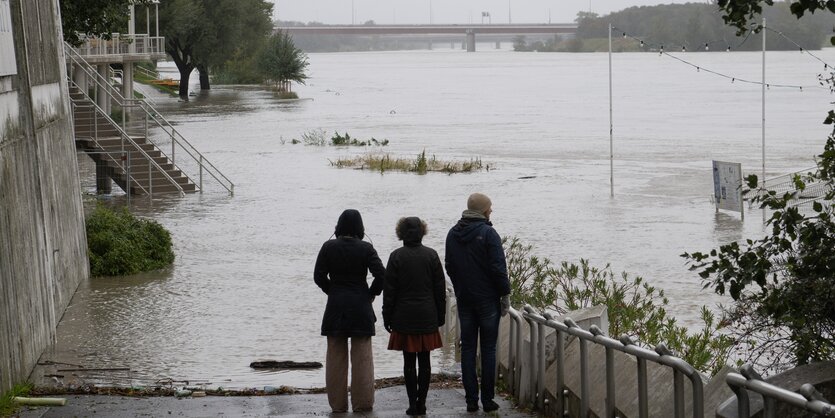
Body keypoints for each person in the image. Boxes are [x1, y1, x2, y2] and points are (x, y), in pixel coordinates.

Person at [314, 209, 386, 413]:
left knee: (335, 358)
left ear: (338, 227)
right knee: (362, 358)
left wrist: (333, 291)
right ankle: (362, 404)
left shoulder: (328, 247)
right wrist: (371, 294)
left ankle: (338, 405)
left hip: (335, 306)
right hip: (360, 306)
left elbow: (318, 276)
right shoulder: (366, 248)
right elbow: (382, 275)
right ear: (360, 228)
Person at [445, 193, 511, 413]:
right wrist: (504, 294)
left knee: (468, 349)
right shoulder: (489, 233)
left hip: (465, 300)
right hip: (487, 301)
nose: (491, 210)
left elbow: (449, 265)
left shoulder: (452, 234)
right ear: (483, 210)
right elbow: (498, 268)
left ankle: (471, 400)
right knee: (489, 349)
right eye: (490, 207)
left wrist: (460, 287)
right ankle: (488, 400)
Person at [382, 217, 446, 416]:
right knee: (425, 360)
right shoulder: (432, 255)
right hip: (427, 314)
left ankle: (412, 403)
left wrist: (387, 315)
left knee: (408, 362)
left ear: (400, 233)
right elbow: (439, 290)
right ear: (422, 232)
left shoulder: (396, 256)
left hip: (403, 315)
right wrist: (440, 316)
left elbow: (389, 291)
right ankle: (422, 402)